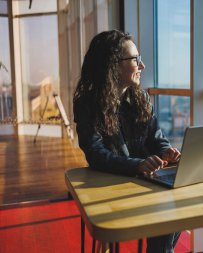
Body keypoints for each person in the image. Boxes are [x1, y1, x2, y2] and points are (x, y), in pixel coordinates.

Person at [73, 30, 181, 253]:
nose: (142, 66)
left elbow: (157, 139)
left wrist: (167, 152)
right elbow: (95, 154)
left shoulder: (140, 98)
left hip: (147, 184)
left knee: (179, 206)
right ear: (113, 65)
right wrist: (137, 165)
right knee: (168, 216)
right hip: (112, 188)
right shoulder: (87, 104)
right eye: (136, 60)